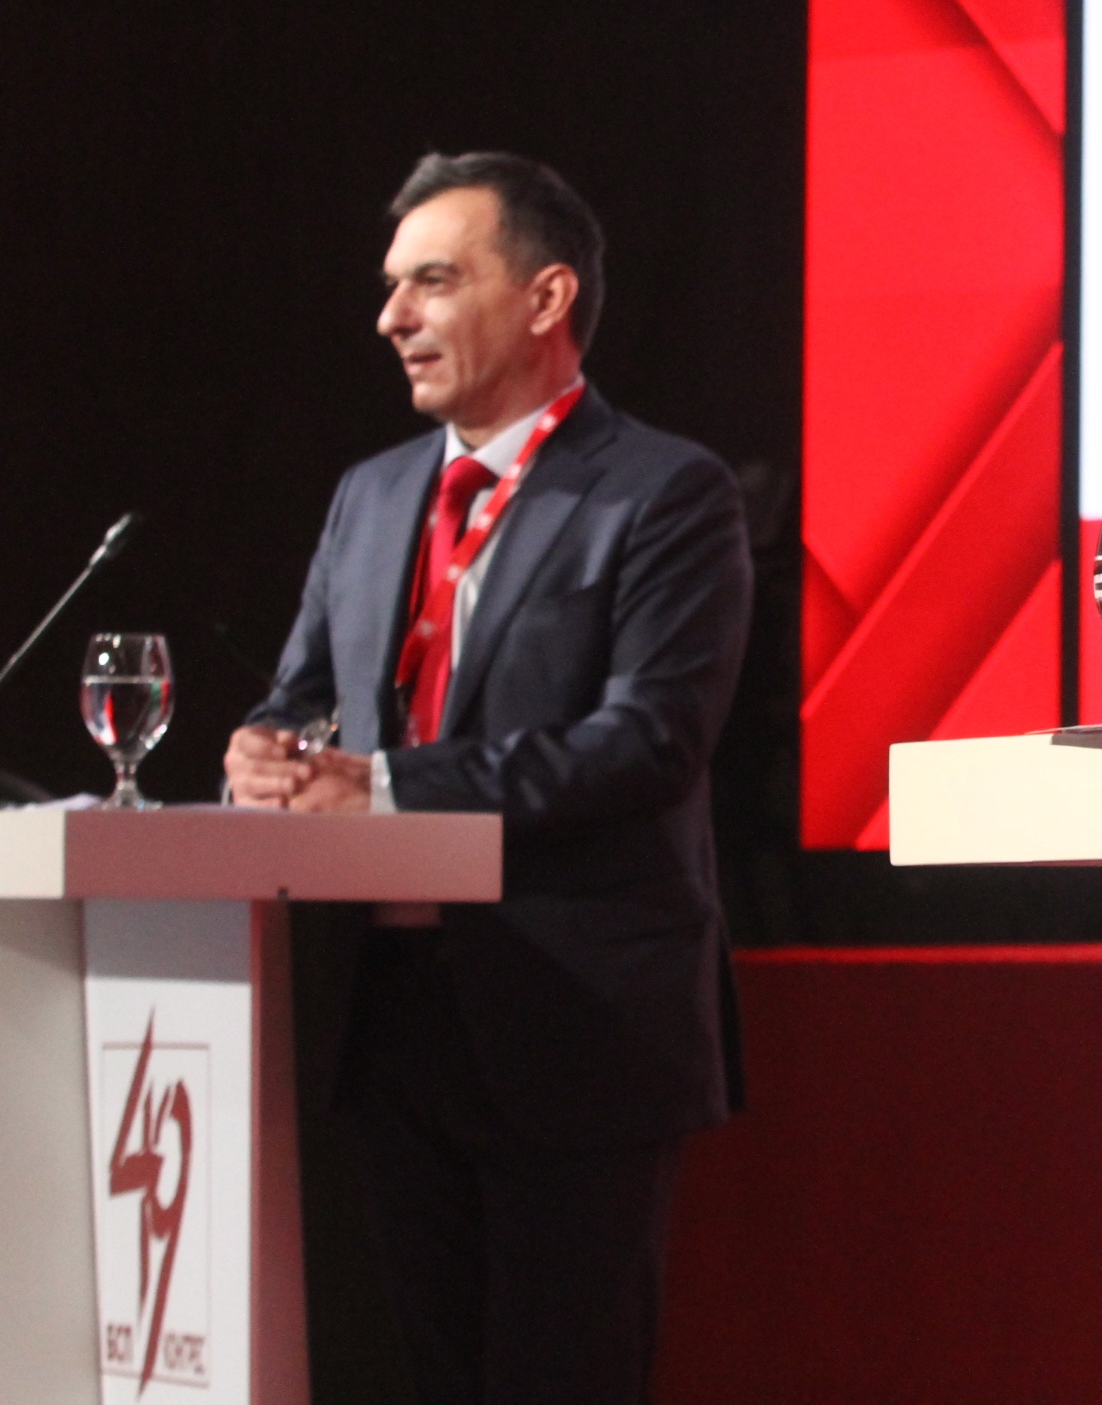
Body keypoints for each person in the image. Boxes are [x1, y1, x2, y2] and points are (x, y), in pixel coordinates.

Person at [225, 152, 752, 1405]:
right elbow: (304, 697)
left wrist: (386, 788)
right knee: (437, 1372)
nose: (391, 317)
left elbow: (651, 741)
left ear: (545, 297)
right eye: (391, 286)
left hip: (575, 1020)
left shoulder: (664, 492)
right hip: (392, 1014)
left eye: (433, 281)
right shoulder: (371, 497)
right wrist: (265, 748)